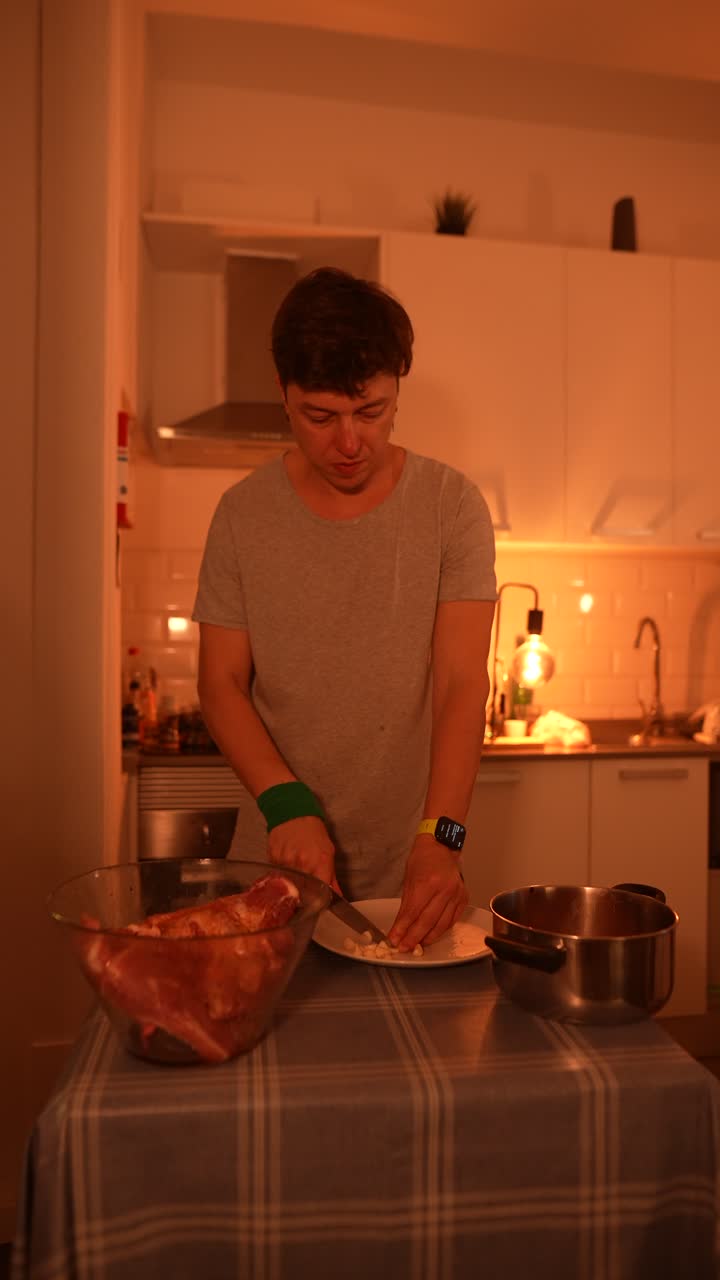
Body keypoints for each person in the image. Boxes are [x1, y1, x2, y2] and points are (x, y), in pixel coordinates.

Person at [192, 267, 496, 952]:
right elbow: (219, 683)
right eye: (321, 416)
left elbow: (460, 685)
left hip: (411, 875)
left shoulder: (452, 508)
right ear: (284, 395)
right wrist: (286, 804)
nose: (350, 442)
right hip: (276, 859)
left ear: (396, 391)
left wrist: (441, 839)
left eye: (372, 412)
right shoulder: (242, 515)